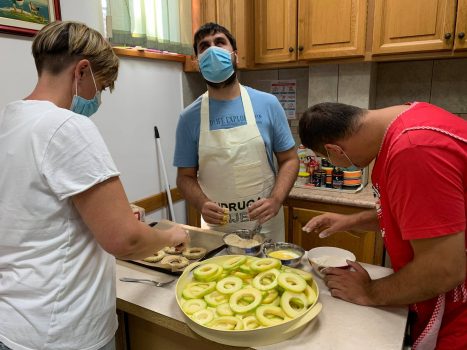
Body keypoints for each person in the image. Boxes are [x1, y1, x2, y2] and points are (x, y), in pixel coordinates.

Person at [0, 21, 189, 350]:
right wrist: (170, 235)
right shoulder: (66, 126)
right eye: (100, 87)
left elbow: (31, 212)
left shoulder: (10, 120)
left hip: (15, 322)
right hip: (64, 332)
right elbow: (125, 240)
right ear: (82, 71)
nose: (96, 98)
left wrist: (107, 213)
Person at [299, 101, 466, 349]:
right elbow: (421, 216)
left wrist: (369, 292)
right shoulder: (407, 120)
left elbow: (444, 269)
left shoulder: (414, 149)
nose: (335, 165)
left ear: (334, 150)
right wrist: (350, 221)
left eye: (327, 159)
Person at [174, 22, 299, 242]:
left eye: (220, 42)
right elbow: (184, 178)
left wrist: (277, 199)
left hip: (265, 226)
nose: (213, 49)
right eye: (204, 46)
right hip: (216, 230)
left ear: (235, 55)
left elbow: (289, 160)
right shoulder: (188, 118)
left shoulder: (268, 104)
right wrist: (201, 203)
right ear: (198, 63)